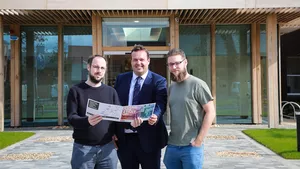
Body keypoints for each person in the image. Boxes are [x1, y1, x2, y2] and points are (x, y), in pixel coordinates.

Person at [114, 44, 168, 169]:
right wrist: (112, 131)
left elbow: (161, 102)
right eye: (135, 59)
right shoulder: (121, 79)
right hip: (125, 140)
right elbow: (115, 105)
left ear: (148, 61)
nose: (139, 63)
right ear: (131, 61)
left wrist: (155, 115)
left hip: (149, 139)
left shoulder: (158, 80)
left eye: (142, 59)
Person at [163, 48, 216, 169]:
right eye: (171, 64)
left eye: (178, 63)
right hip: (172, 145)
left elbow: (211, 112)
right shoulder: (172, 87)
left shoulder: (198, 84)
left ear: (185, 62)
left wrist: (199, 140)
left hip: (191, 146)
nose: (174, 67)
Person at [67, 55, 120, 169]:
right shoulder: (76, 91)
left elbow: (118, 118)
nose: (99, 71)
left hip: (108, 150)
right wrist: (87, 121)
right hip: (83, 149)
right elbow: (71, 118)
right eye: (96, 67)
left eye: (102, 68)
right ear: (88, 67)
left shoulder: (111, 92)